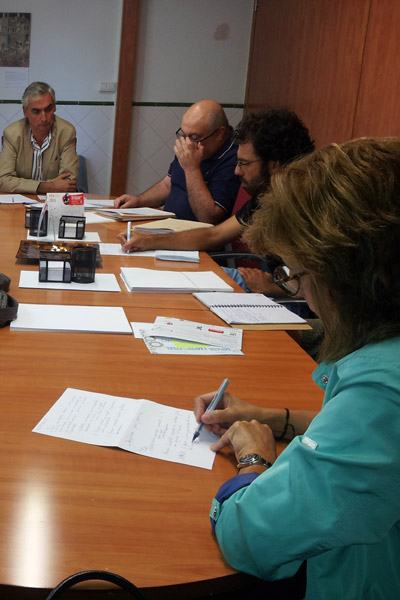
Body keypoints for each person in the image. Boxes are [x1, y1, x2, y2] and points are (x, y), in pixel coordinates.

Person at [195, 137, 400, 598]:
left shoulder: (383, 390)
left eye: (297, 275)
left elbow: (248, 534)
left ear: (343, 276)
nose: (302, 293)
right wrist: (273, 418)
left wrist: (252, 460)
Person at [117, 108, 314, 297]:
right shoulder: (266, 197)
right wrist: (149, 241)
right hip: (270, 286)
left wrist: (277, 287)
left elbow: (326, 287)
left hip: (287, 300)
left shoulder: (307, 207)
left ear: (274, 167)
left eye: (244, 164)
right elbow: (214, 234)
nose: (237, 171)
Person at [114, 100, 239, 223]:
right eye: (184, 135)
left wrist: (192, 168)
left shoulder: (234, 158)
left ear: (219, 134)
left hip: (196, 237)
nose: (188, 143)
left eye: (195, 137)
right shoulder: (190, 144)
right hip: (167, 225)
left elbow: (208, 217)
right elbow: (168, 185)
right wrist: (139, 201)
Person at [0, 81, 80, 194]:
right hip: (18, 202)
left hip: (54, 204)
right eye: (36, 111)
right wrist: (46, 187)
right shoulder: (12, 134)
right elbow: (3, 181)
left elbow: (68, 183)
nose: (44, 118)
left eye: (48, 109)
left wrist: (22, 185)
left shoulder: (66, 132)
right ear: (25, 112)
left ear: (54, 108)